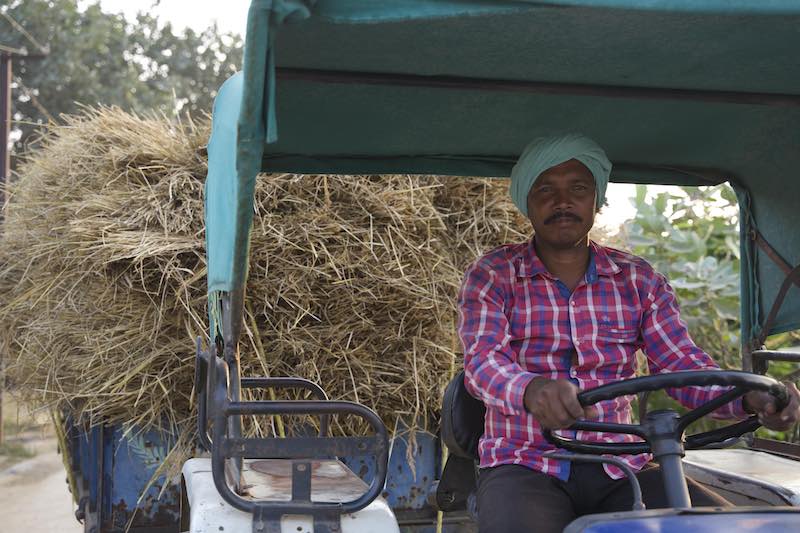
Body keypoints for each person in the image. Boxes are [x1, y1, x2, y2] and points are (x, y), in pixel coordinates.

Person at [457, 134, 800, 533]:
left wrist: (750, 397)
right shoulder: (494, 273)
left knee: (727, 528)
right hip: (525, 462)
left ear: (596, 200)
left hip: (623, 464)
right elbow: (482, 363)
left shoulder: (639, 280)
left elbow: (682, 365)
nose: (562, 201)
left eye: (578, 189)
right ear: (527, 202)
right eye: (545, 189)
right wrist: (531, 390)